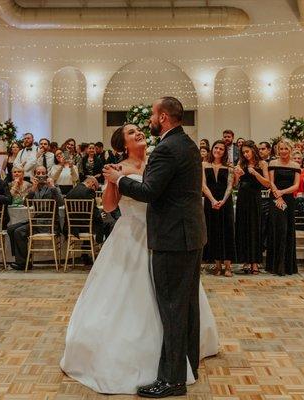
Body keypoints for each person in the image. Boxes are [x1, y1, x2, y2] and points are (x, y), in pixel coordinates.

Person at [62, 122, 218, 396]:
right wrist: (112, 181)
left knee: (174, 298)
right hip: (131, 237)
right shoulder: (118, 168)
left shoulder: (158, 159)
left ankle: (178, 355)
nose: (139, 133)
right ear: (122, 145)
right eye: (132, 133)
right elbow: (109, 207)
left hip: (166, 236)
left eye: (139, 130)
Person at [103, 97, 210, 397]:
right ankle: (188, 363)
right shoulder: (186, 143)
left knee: (173, 309)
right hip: (189, 235)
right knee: (187, 305)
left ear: (163, 117)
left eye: (151, 115)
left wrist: (119, 179)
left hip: (172, 239)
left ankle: (173, 380)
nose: (147, 121)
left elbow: (150, 192)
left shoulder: (164, 149)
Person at [7, 165, 63, 270]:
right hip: (36, 221)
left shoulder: (53, 186)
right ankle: (21, 257)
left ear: (47, 174)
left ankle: (23, 263)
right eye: (38, 173)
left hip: (49, 224)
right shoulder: (34, 187)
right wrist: (33, 188)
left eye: (43, 173)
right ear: (35, 175)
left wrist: (53, 187)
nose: (41, 175)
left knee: (19, 232)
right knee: (11, 228)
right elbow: (25, 203)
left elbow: (60, 203)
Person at [233, 140, 270, 275]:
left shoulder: (262, 163)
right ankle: (245, 261)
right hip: (243, 197)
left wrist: (255, 173)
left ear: (253, 150)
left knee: (255, 228)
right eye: (243, 152)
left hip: (255, 198)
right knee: (243, 228)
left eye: (247, 151)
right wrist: (237, 175)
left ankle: (255, 262)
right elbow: (236, 184)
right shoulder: (241, 163)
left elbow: (267, 184)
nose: (246, 154)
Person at [266, 140, 301, 276]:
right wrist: (278, 196)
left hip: (288, 199)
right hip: (276, 198)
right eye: (281, 149)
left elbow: (296, 185)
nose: (283, 151)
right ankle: (276, 266)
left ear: (290, 150)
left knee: (287, 229)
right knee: (278, 229)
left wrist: (283, 192)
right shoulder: (273, 163)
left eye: (286, 148)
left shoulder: (296, 165)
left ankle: (287, 266)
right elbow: (271, 182)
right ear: (277, 150)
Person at [202, 140, 236, 277]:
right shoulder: (203, 164)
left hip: (225, 202)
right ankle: (217, 265)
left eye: (221, 149)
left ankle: (228, 266)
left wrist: (222, 201)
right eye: (216, 147)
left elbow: (230, 186)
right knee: (213, 231)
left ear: (225, 152)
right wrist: (212, 200)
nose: (218, 150)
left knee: (227, 231)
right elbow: (203, 185)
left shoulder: (229, 167)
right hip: (211, 202)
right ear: (212, 149)